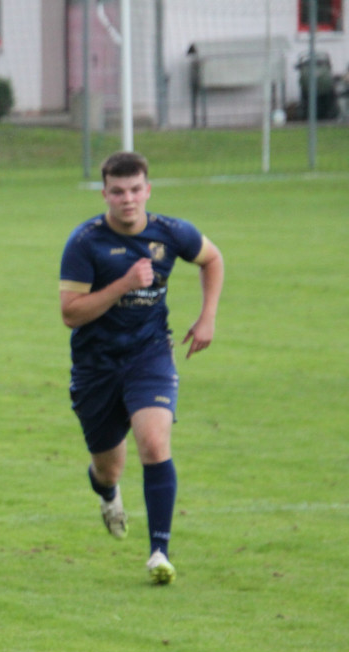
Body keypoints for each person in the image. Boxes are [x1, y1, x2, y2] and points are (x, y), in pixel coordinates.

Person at [59, 151, 225, 584]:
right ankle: (108, 494)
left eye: (135, 190)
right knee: (108, 467)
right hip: (95, 366)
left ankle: (159, 552)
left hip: (150, 354)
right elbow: (72, 314)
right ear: (105, 194)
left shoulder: (171, 233)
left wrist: (207, 316)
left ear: (148, 190)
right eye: (118, 191)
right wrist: (125, 284)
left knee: (154, 443)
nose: (127, 199)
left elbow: (212, 259)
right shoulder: (84, 243)